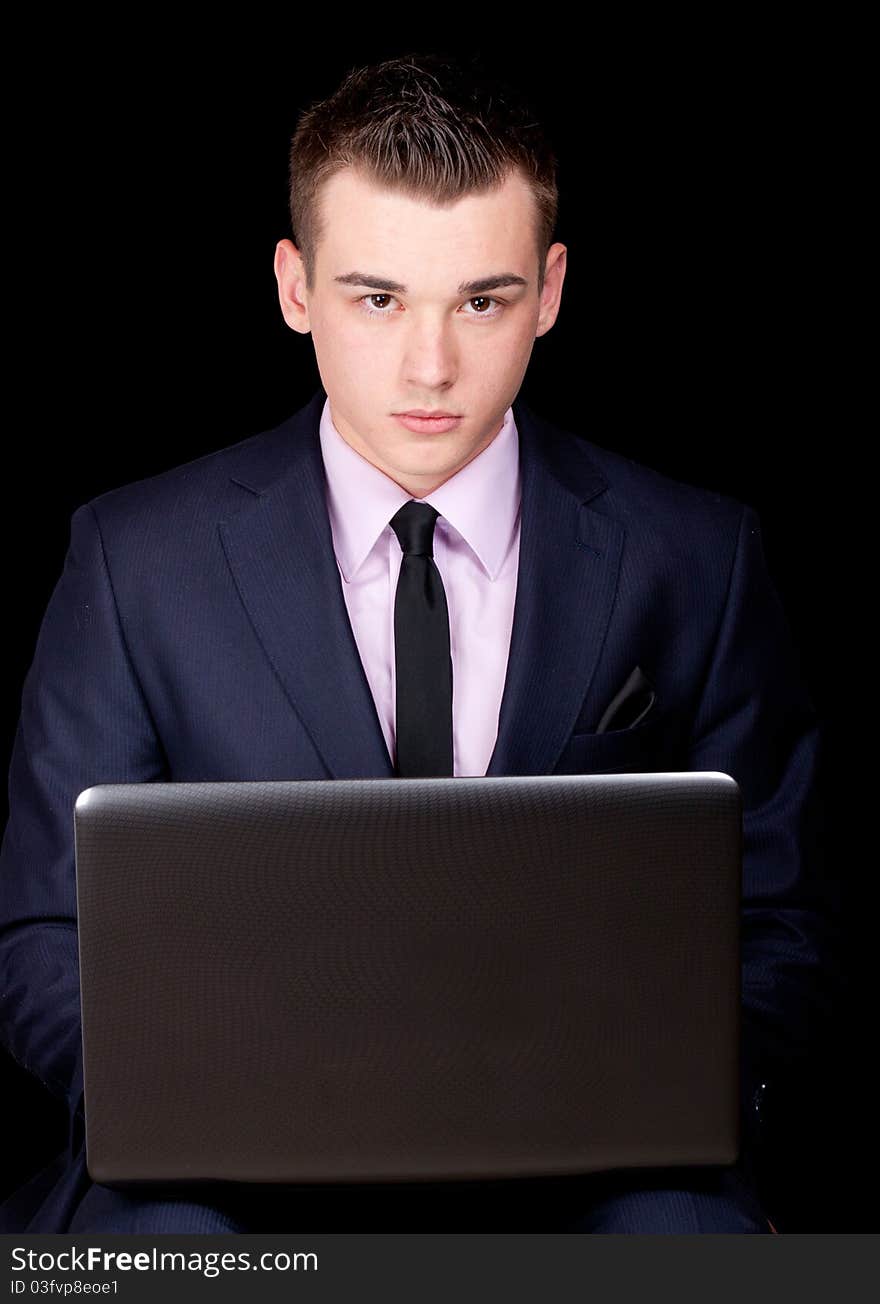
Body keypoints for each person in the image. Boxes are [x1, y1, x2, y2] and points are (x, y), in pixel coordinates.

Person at [0, 51, 836, 1233]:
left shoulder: (697, 556)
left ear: (550, 290)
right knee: (161, 1253)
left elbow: (781, 916)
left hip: (595, 1160)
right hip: (225, 1168)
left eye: (481, 301)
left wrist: (634, 1095)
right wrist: (213, 1106)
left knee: (684, 1243)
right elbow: (46, 938)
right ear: (295, 287)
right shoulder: (133, 560)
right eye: (377, 298)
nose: (429, 366)